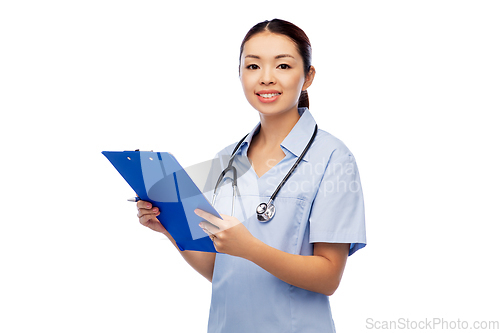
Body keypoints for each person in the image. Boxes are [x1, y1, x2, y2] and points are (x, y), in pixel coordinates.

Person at [136, 18, 366, 333]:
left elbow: (328, 278)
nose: (266, 78)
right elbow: (223, 270)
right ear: (241, 73)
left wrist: (250, 247)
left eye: (283, 66)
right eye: (253, 66)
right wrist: (169, 228)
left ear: (308, 76)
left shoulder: (333, 158)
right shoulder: (226, 159)